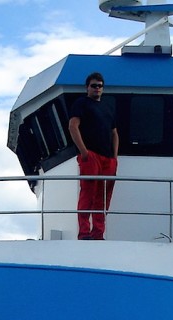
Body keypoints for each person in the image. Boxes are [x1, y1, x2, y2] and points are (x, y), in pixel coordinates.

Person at [68, 72, 119, 240]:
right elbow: (73, 126)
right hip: (91, 155)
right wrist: (84, 152)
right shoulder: (81, 103)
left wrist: (114, 157)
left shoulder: (107, 107)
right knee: (88, 193)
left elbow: (114, 132)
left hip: (107, 159)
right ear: (87, 87)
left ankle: (98, 233)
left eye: (100, 85)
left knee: (103, 197)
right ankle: (84, 233)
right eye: (94, 85)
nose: (97, 88)